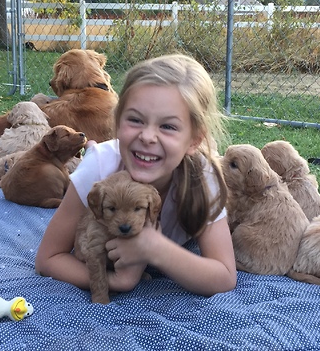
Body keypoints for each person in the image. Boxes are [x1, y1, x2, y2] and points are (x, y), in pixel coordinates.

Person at [34, 54, 237, 297]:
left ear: (194, 140)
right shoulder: (99, 168)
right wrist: (115, 281)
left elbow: (224, 275)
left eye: (168, 126)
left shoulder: (201, 177)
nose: (148, 137)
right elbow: (48, 258)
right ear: (117, 123)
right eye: (135, 120)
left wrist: (155, 249)